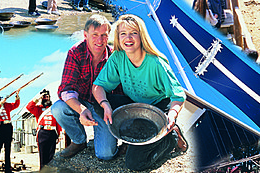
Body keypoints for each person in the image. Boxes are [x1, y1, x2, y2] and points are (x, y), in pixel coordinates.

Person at [91, 14, 187, 171]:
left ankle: (171, 137)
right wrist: (105, 105)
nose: (127, 38)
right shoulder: (118, 57)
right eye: (123, 33)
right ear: (118, 37)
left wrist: (171, 116)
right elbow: (98, 86)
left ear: (141, 36)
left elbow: (178, 96)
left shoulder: (156, 63)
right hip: (135, 105)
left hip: (157, 107)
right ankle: (134, 138)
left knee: (135, 164)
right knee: (98, 103)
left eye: (133, 33)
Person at [51, 15, 118, 160]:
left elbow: (120, 91)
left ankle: (106, 137)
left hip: (103, 105)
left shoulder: (114, 56)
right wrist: (82, 110)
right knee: (58, 108)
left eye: (104, 35)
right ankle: (79, 140)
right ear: (85, 35)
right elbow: (66, 89)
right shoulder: (75, 52)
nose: (99, 40)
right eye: (95, 35)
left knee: (106, 155)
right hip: (80, 102)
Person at [26, 89, 62, 170]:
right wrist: (38, 98)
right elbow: (29, 107)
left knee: (51, 156)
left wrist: (59, 134)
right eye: (44, 97)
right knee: (43, 156)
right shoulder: (38, 109)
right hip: (42, 133)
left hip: (52, 133)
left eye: (47, 96)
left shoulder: (53, 108)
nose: (46, 98)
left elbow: (58, 122)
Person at [0, 93, 20, 173]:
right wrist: (0, 103)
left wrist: (17, 97)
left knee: (8, 148)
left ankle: (7, 168)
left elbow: (15, 105)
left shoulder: (6, 105)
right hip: (0, 127)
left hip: (8, 126)